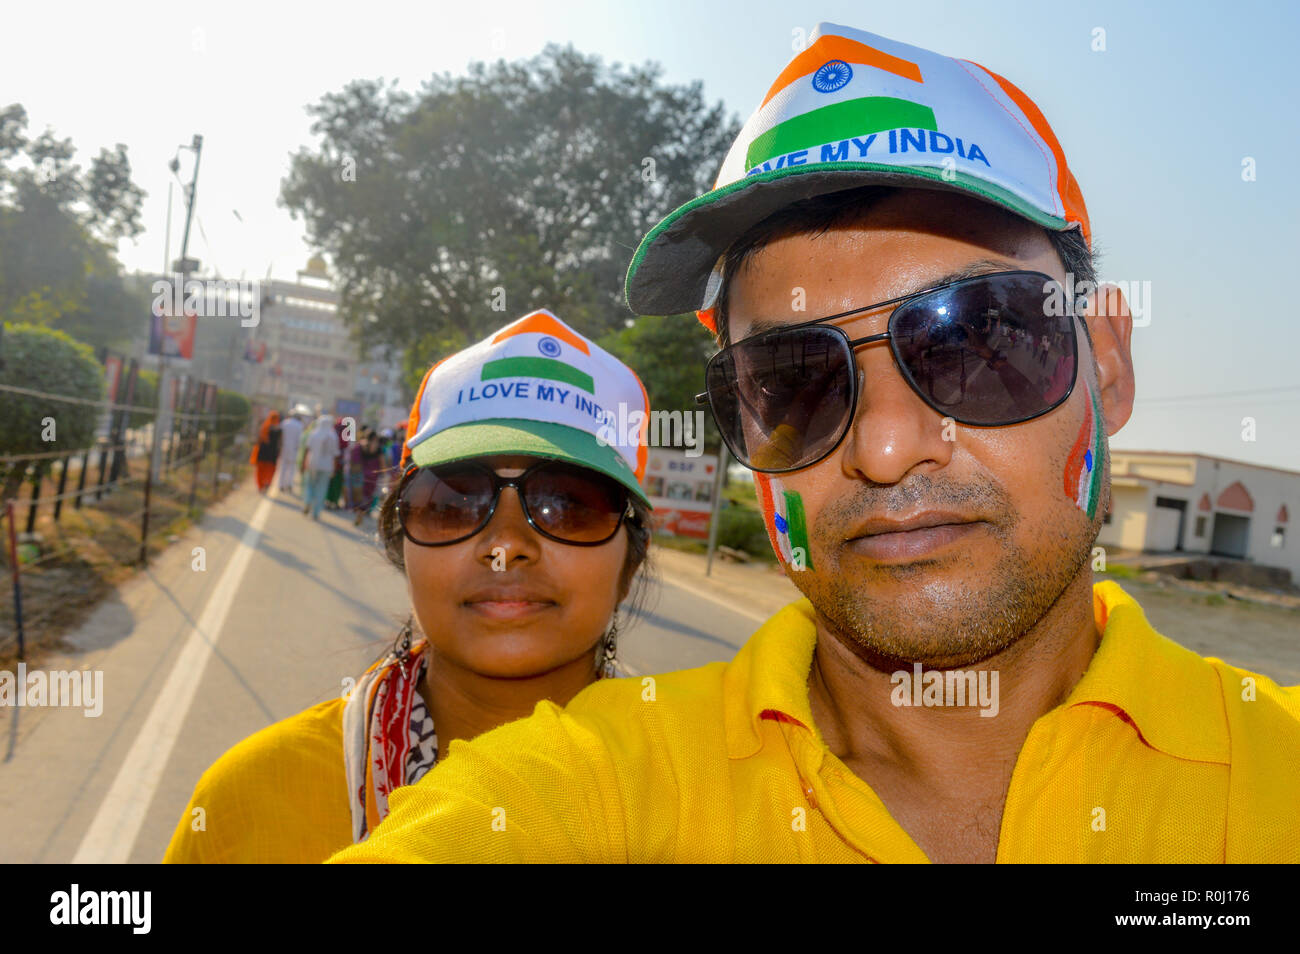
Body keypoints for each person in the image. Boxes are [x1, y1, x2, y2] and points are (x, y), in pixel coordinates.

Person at [329, 24, 1300, 864]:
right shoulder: (603, 784)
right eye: (793, 381)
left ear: (1110, 364)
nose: (883, 447)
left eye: (977, 341)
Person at [163, 308, 654, 862]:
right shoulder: (247, 801)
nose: (505, 544)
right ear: (402, 541)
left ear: (629, 566)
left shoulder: (703, 806)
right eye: (454, 503)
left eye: (569, 507)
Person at [344, 427, 388, 527]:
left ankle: (358, 513)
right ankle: (361, 513)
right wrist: (384, 475)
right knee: (368, 497)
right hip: (373, 477)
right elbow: (382, 464)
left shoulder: (360, 445)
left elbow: (353, 460)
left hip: (360, 476)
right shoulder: (378, 449)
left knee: (359, 496)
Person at [301, 412, 341, 520]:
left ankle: (308, 501)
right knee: (321, 489)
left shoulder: (314, 433)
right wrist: (334, 468)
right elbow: (336, 455)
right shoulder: (333, 436)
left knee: (310, 485)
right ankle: (316, 512)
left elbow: (307, 449)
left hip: (312, 463)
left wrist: (304, 463)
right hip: (327, 466)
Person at [249, 410, 281, 494]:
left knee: (261, 470)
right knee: (270, 470)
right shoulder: (279, 429)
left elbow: (258, 440)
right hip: (272, 454)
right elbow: (280, 443)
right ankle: (267, 483)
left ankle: (261, 485)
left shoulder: (264, 427)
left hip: (263, 452)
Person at [277, 407, 306, 494]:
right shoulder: (300, 425)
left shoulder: (285, 423)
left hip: (284, 447)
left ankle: (281, 485)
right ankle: (289, 484)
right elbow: (300, 439)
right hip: (294, 449)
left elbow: (280, 437)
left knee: (283, 467)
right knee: (292, 468)